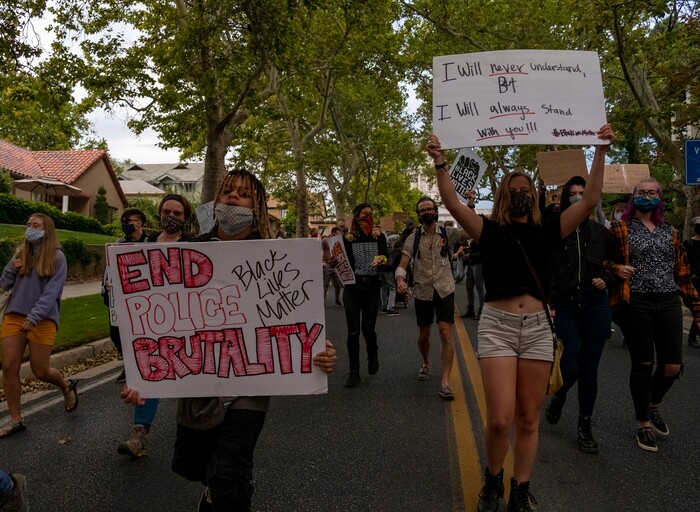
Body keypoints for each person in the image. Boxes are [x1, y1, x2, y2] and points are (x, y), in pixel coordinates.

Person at [121, 169, 337, 512]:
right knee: (192, 465)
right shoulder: (191, 251)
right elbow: (165, 323)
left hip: (249, 389)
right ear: (217, 202)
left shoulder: (277, 257)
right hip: (199, 385)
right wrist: (142, 376)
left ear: (257, 206)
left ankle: (223, 494)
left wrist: (317, 349)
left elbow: (295, 316)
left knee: (232, 479)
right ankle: (213, 490)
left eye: (244, 194)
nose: (234, 198)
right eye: (228, 192)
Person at [428, 124, 615, 512]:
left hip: (536, 331)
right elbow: (453, 204)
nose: (519, 194)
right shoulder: (488, 231)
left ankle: (520, 488)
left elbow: (592, 197)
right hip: (497, 326)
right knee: (499, 419)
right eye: (512, 191)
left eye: (524, 189)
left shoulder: (550, 230)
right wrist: (441, 163)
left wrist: (599, 150)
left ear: (534, 195)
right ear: (502, 197)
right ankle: (493, 478)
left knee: (528, 418)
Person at [606, 178, 700, 453]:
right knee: (644, 363)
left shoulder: (669, 231)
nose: (647, 196)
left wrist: (697, 311)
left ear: (660, 197)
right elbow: (600, 261)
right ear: (633, 197)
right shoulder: (619, 228)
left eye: (653, 192)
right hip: (637, 301)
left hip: (669, 300)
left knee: (672, 365)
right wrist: (616, 269)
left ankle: (653, 404)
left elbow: (682, 275)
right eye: (641, 192)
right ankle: (643, 423)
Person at [544, 176, 620, 454]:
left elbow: (616, 265)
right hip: (565, 304)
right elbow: (548, 270)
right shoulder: (555, 231)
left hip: (595, 304)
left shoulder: (602, 232)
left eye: (582, 193)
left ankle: (584, 425)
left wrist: (606, 278)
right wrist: (550, 304)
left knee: (589, 370)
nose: (578, 198)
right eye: (572, 194)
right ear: (565, 199)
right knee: (570, 367)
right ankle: (560, 396)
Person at [117, 195, 194, 458]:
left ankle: (197, 434)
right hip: (153, 322)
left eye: (178, 213)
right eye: (167, 211)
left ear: (186, 217)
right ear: (160, 214)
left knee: (195, 374)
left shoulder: (196, 245)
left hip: (190, 321)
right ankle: (140, 434)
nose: (171, 216)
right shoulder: (145, 244)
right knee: (150, 371)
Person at [0, 214, 77, 439]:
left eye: (36, 226)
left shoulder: (58, 258)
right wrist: (13, 267)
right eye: (28, 225)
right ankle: (16, 420)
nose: (30, 229)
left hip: (42, 319)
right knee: (9, 367)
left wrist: (33, 318)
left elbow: (51, 294)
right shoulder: (21, 253)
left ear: (47, 230)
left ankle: (65, 385)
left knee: (40, 370)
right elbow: (4, 284)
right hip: (14, 315)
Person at [395, 196, 465, 399]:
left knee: (445, 332)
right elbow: (403, 264)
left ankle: (445, 382)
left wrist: (467, 206)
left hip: (445, 289)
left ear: (436, 211)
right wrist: (400, 279)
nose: (426, 212)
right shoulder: (413, 238)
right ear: (418, 215)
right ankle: (426, 362)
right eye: (422, 210)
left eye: (429, 209)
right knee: (424, 335)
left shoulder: (448, 233)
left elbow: (471, 231)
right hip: (423, 291)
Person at [337, 203, 389, 388]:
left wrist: (380, 261)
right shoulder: (347, 239)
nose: (369, 217)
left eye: (371, 214)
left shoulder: (379, 237)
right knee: (353, 331)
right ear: (356, 216)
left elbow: (386, 257)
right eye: (365, 214)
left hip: (371, 289)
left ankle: (372, 354)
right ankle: (354, 371)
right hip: (352, 289)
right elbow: (338, 260)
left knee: (368, 329)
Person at [103, 208, 150, 384]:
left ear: (139, 222)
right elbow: (109, 267)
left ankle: (138, 365)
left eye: (129, 220)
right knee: (115, 332)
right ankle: (130, 363)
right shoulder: (119, 243)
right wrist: (106, 287)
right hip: (121, 296)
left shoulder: (150, 243)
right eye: (124, 221)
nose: (126, 224)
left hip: (143, 295)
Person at [683, 216, 700, 348]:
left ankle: (693, 335)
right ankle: (692, 337)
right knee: (697, 308)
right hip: (694, 281)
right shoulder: (688, 243)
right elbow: (684, 261)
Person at [380, 231, 401, 316]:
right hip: (388, 269)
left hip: (381, 268)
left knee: (383, 288)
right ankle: (390, 308)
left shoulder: (379, 247)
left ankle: (384, 306)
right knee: (392, 288)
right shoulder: (390, 249)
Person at [322, 227, 343, 307]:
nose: (339, 235)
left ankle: (337, 299)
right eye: (338, 233)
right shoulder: (325, 240)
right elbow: (319, 250)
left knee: (337, 284)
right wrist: (322, 262)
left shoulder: (338, 241)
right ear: (333, 233)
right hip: (327, 265)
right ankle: (323, 302)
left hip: (336, 265)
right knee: (325, 284)